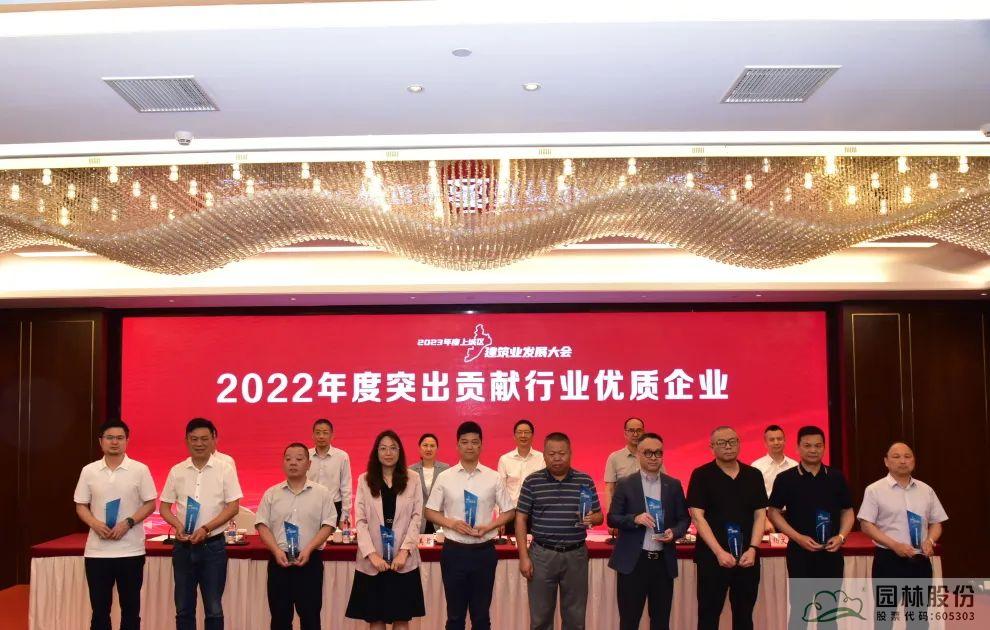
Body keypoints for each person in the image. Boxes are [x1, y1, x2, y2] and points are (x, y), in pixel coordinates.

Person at [425, 421, 515, 630]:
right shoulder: (445, 477)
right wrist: (452, 523)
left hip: (484, 552)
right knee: (455, 617)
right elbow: (429, 511)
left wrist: (490, 526)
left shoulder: (493, 477)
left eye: (475, 442)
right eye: (465, 442)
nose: (470, 446)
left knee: (481, 617)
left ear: (481, 445)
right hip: (454, 552)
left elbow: (509, 511)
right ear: (457, 445)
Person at [73, 419, 158, 630]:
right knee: (100, 612)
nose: (114, 442)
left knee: (131, 611)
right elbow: (81, 505)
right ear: (100, 441)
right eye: (110, 438)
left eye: (120, 438)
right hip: (97, 552)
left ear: (127, 441)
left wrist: (128, 523)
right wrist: (95, 524)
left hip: (131, 551)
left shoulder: (140, 469)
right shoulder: (89, 470)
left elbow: (150, 504)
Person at [159, 417, 243, 630]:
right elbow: (164, 508)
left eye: (205, 439)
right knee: (183, 609)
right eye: (194, 439)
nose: (199, 444)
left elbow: (233, 507)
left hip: (213, 546)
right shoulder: (177, 470)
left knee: (214, 609)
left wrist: (206, 528)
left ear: (214, 439)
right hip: (183, 547)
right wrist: (177, 525)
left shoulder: (225, 469)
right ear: (186, 440)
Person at [767, 426, 854, 630]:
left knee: (829, 613)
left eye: (818, 445)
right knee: (800, 611)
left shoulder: (836, 477)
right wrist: (797, 537)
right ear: (797, 448)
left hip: (831, 553)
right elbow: (773, 512)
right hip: (800, 553)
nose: (813, 450)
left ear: (824, 447)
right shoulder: (786, 478)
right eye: (807, 445)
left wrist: (841, 537)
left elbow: (848, 511)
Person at [515, 432, 603, 630]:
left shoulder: (584, 480)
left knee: (575, 618)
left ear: (570, 453)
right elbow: (520, 519)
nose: (556, 458)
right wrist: (523, 556)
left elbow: (599, 516)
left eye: (561, 453)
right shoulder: (532, 481)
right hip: (542, 555)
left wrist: (593, 518)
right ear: (544, 455)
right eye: (551, 454)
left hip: (576, 554)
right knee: (540, 618)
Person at [858, 441, 948, 630]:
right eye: (896, 457)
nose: (902, 461)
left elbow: (936, 523)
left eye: (907, 456)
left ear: (914, 461)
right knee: (884, 617)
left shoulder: (926, 490)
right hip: (888, 560)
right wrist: (894, 545)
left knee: (918, 617)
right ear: (886, 461)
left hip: (920, 560)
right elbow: (866, 525)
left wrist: (930, 540)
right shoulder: (874, 490)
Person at [687, 426, 768, 630]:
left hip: (747, 558)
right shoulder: (701, 475)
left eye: (732, 441)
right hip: (712, 558)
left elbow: (760, 515)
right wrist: (719, 552)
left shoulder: (753, 475)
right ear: (712, 447)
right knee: (708, 616)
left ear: (739, 444)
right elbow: (697, 517)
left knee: (744, 616)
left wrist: (753, 548)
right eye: (722, 443)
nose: (728, 446)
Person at [607, 433, 689, 630]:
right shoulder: (626, 484)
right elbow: (612, 518)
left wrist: (675, 532)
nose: (654, 457)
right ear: (639, 454)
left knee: (661, 621)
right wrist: (634, 519)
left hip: (662, 563)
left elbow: (684, 519)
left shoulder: (673, 485)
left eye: (658, 453)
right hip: (633, 563)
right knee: (629, 621)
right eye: (648, 453)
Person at [346, 430, 427, 628]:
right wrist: (372, 554)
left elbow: (417, 518)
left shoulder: (413, 479)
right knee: (376, 619)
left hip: (403, 561)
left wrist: (404, 552)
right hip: (373, 562)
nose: (388, 453)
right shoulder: (364, 480)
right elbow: (361, 521)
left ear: (400, 452)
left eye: (393, 448)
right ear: (376, 452)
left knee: (401, 619)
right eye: (383, 448)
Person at [255, 443, 337, 630]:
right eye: (288, 459)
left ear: (309, 464)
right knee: (279, 619)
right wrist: (276, 551)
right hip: (280, 561)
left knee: (311, 619)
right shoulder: (271, 493)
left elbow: (328, 525)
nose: (293, 463)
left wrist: (308, 549)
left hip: (309, 561)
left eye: (299, 459)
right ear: (283, 463)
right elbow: (262, 525)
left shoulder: (322, 493)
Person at [497, 419, 545, 536]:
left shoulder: (542, 458)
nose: (523, 435)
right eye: (519, 432)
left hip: (536, 514)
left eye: (527, 432)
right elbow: (500, 490)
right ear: (514, 436)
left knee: (536, 545)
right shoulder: (505, 459)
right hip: (511, 514)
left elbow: (545, 488)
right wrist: (501, 518)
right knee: (511, 545)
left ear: (532, 435)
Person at [604, 417, 646, 535]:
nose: (635, 434)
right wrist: (611, 518)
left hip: (649, 514)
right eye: (631, 430)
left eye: (639, 430)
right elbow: (610, 489)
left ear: (643, 433)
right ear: (625, 433)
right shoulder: (614, 458)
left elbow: (663, 485)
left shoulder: (651, 457)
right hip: (624, 516)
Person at [751, 425, 797, 532]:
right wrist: (764, 520)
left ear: (784, 441)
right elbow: (753, 497)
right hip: (766, 518)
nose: (776, 442)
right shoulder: (756, 466)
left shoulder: (795, 465)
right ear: (765, 443)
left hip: (791, 517)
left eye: (779, 439)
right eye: (772, 440)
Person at [308, 418, 352, 528]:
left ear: (332, 436)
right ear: (312, 436)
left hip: (334, 506)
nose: (321, 436)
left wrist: (344, 516)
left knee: (333, 538)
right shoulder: (306, 455)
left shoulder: (342, 456)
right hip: (309, 506)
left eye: (325, 433)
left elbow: (346, 488)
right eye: (318, 433)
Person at [408, 433, 450, 534]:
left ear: (437, 448)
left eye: (432, 446)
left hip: (440, 520)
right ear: (419, 448)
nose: (428, 449)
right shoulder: (411, 471)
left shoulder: (446, 469)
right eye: (425, 445)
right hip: (418, 520)